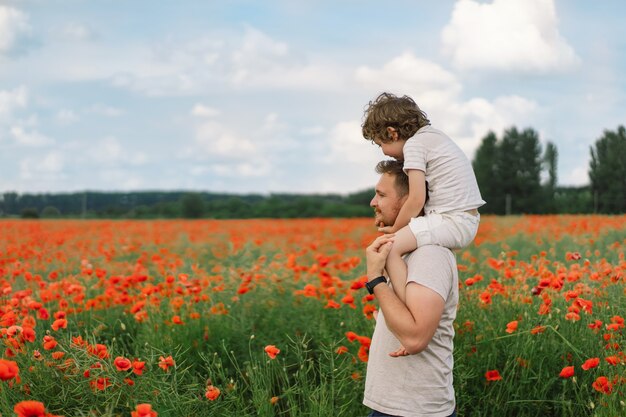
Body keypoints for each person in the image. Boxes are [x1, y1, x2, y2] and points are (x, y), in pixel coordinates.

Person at [362, 92, 484, 304]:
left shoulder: (414, 146)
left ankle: (407, 304)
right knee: (395, 246)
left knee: (390, 249)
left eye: (380, 143)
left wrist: (395, 230)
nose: (383, 152)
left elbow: (416, 199)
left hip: (451, 221)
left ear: (392, 133)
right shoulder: (433, 137)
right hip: (460, 219)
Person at [363, 160, 458, 417]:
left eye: (381, 195)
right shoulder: (405, 251)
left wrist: (375, 279)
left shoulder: (429, 255)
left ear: (409, 202)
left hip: (415, 410)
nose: (373, 202)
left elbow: (415, 338)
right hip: (397, 406)